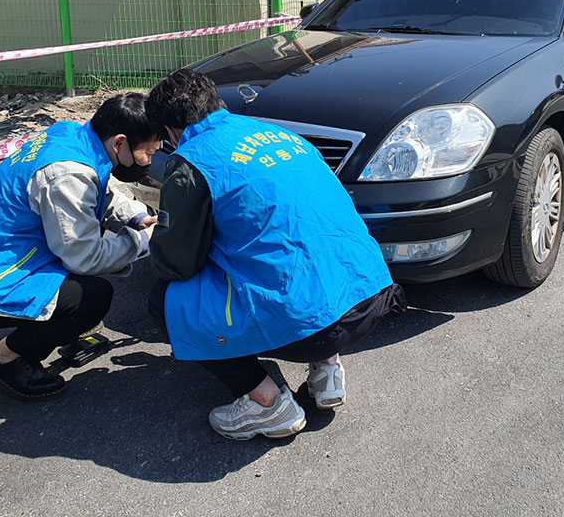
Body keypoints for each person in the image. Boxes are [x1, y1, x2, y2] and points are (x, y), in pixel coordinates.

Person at [145, 69, 405, 441]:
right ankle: (327, 372)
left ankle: (266, 403)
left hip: (310, 328)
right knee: (301, 253)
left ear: (171, 131)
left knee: (166, 301)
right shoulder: (280, 134)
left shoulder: (191, 161)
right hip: (368, 295)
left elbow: (176, 261)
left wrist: (153, 239)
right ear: (215, 101)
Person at [0, 93, 161, 401]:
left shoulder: (73, 135)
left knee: (84, 274)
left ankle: (59, 327)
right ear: (120, 143)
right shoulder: (68, 174)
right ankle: (4, 359)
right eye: (149, 152)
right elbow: (86, 257)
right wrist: (141, 241)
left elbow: (99, 191)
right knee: (91, 298)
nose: (151, 159)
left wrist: (136, 216)